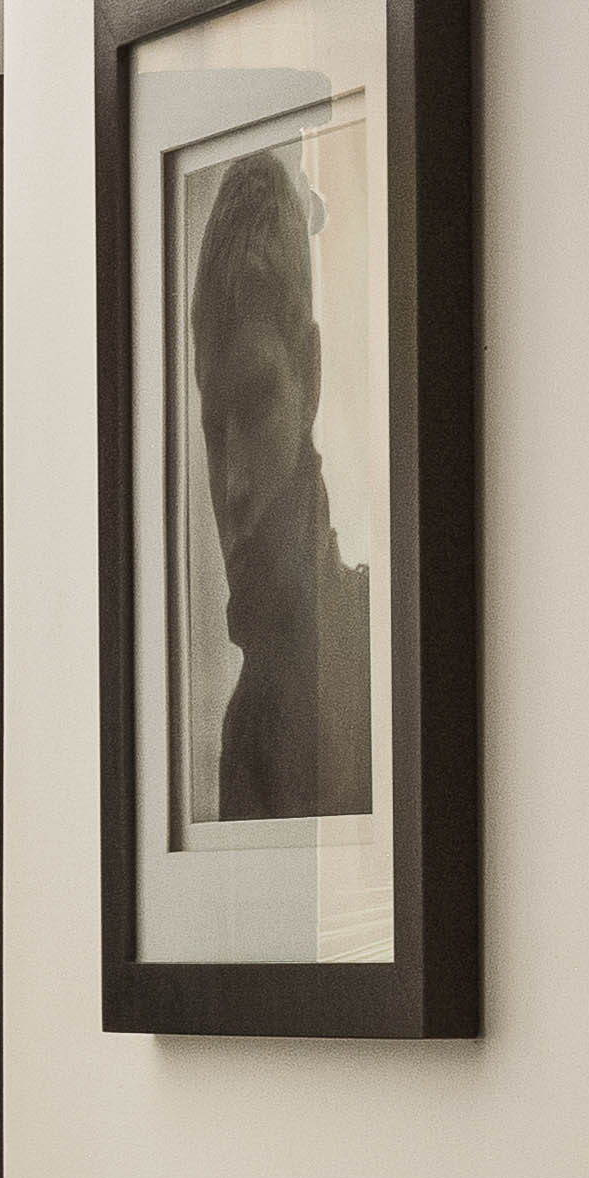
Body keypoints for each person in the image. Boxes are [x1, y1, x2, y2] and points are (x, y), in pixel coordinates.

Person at [182, 143, 369, 825]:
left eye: (257, 404)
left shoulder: (374, 652)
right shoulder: (245, 722)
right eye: (212, 423)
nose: (232, 481)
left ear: (311, 378)